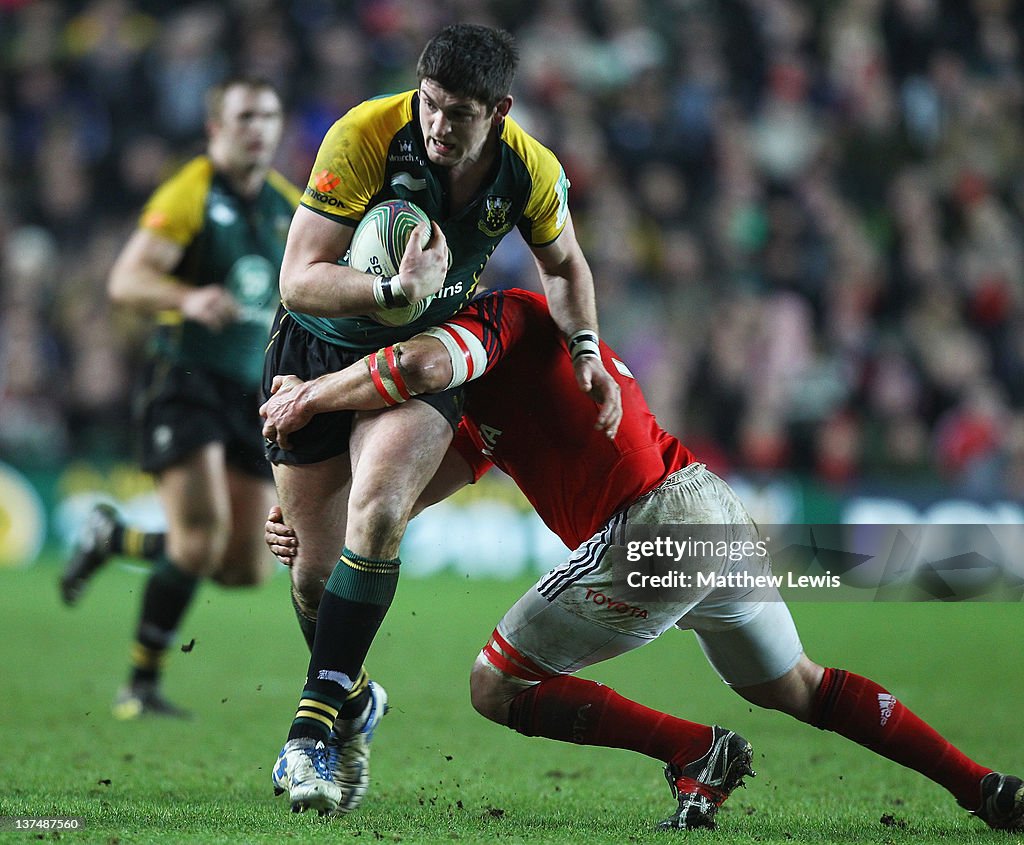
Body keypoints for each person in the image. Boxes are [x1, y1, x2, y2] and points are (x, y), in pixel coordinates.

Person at [262, 288, 1024, 832]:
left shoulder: (503, 317)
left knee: (494, 685)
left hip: (651, 528)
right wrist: (312, 521)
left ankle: (695, 749)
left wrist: (311, 397)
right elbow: (402, 497)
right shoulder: (479, 405)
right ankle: (983, 788)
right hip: (705, 507)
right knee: (801, 684)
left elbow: (426, 365)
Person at [264, 23, 620, 814]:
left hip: (419, 363)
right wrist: (390, 292)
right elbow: (298, 280)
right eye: (429, 105)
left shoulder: (530, 169)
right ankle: (351, 700)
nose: (437, 126)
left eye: (458, 113)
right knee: (313, 573)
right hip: (317, 353)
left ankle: (308, 736)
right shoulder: (363, 135)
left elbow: (566, 266)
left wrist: (586, 346)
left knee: (381, 506)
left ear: (500, 109)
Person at [60, 76, 298, 719]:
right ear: (216, 128)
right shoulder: (190, 192)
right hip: (184, 380)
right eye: (246, 115)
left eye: (270, 116)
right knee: (198, 541)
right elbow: (127, 278)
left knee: (247, 568)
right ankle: (139, 684)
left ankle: (113, 539)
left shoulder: (287, 206)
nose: (259, 128)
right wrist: (185, 297)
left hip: (249, 393)